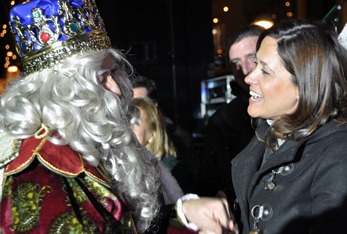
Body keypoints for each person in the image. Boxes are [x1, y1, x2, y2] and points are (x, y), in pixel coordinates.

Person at [0, 0, 237, 233]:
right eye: (101, 78)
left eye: (114, 72)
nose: (116, 88)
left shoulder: (96, 141)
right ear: (61, 90)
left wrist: (187, 215)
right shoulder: (41, 167)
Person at [231, 19, 347, 233]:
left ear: (303, 86)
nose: (249, 77)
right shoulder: (269, 133)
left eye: (265, 71)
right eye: (256, 63)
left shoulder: (341, 152)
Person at [197, 25, 264, 203]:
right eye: (235, 63)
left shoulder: (297, 109)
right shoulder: (222, 121)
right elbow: (209, 179)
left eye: (252, 58)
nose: (245, 69)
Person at [131, 98, 195, 194]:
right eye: (125, 121)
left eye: (134, 123)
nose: (127, 127)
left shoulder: (176, 171)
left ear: (152, 135)